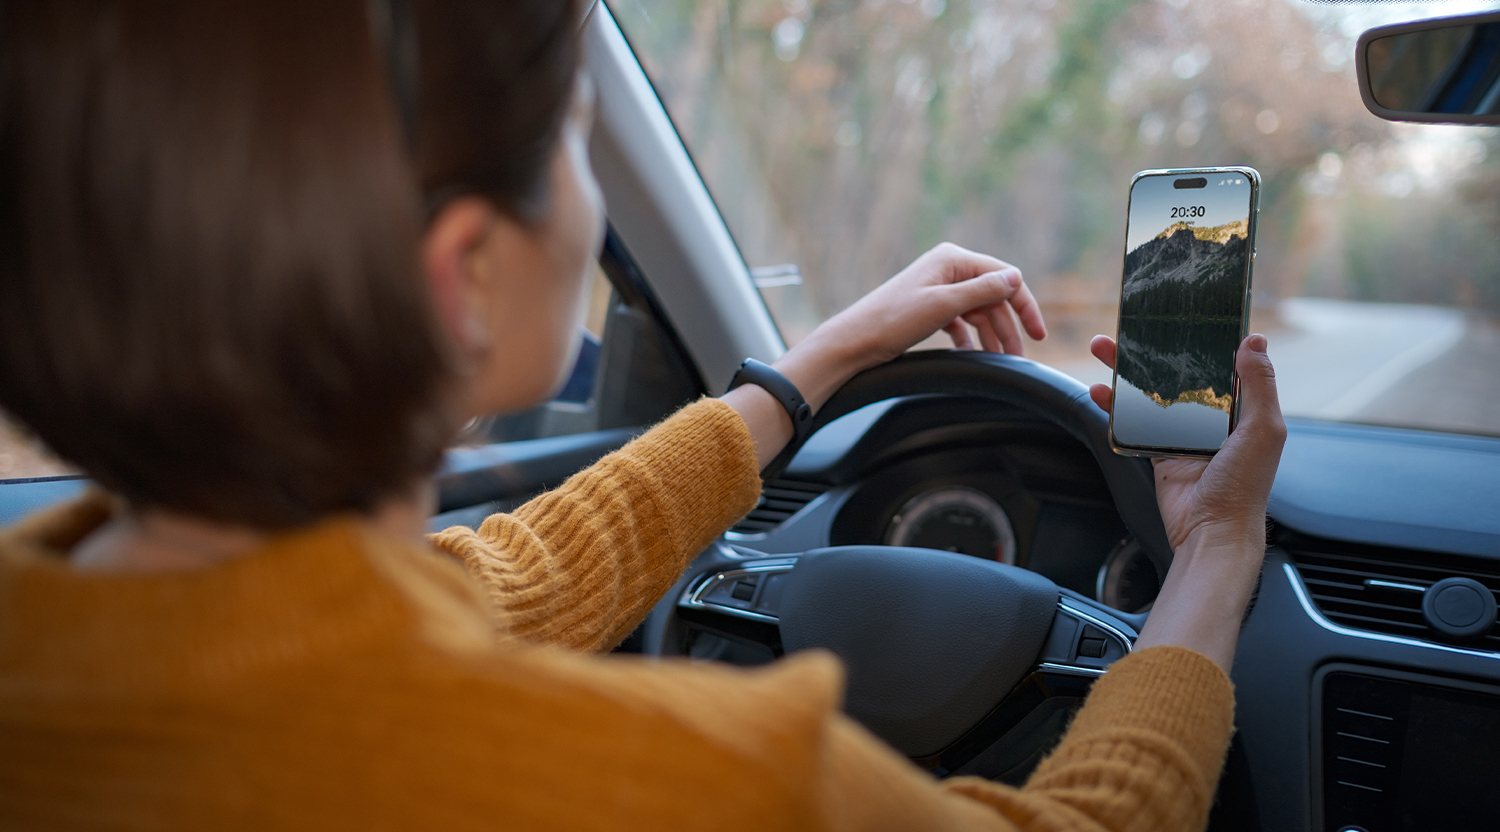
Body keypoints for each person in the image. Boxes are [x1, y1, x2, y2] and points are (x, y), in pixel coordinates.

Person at [0, 1, 1285, 829]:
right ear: (465, 276)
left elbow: (516, 574)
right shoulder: (679, 784)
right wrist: (1217, 552)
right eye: (578, 138)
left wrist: (816, 361)